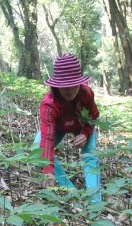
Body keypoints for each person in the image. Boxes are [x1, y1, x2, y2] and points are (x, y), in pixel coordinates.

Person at [35, 53, 101, 202]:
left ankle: (94, 202)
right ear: (56, 85)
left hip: (82, 124)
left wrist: (86, 132)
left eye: (74, 84)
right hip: (58, 128)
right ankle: (70, 191)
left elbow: (94, 116)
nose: (70, 89)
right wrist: (48, 171)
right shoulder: (49, 104)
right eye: (64, 85)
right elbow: (47, 139)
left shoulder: (87, 93)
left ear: (80, 82)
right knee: (36, 148)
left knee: (90, 156)